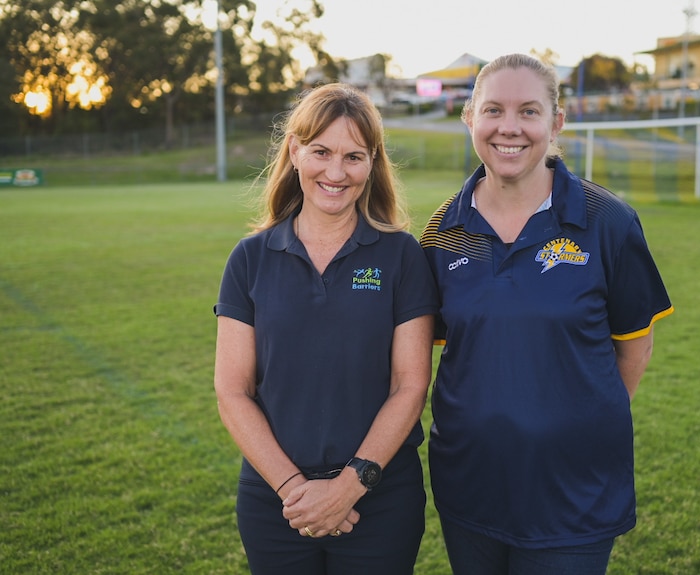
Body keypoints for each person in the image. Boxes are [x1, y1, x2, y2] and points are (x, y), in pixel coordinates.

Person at [420, 53, 674, 575]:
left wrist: (571, 422)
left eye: (528, 112)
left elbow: (634, 345)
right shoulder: (442, 229)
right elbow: (449, 351)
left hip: (573, 494)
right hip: (470, 486)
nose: (508, 128)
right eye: (493, 110)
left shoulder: (609, 221)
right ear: (470, 116)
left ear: (556, 123)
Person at [213, 83, 437, 575]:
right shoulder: (250, 259)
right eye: (321, 152)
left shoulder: (401, 255)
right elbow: (232, 389)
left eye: (354, 157)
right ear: (294, 151)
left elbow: (410, 384)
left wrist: (348, 488)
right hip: (276, 502)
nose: (336, 173)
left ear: (372, 163)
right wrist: (297, 492)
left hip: (379, 500)